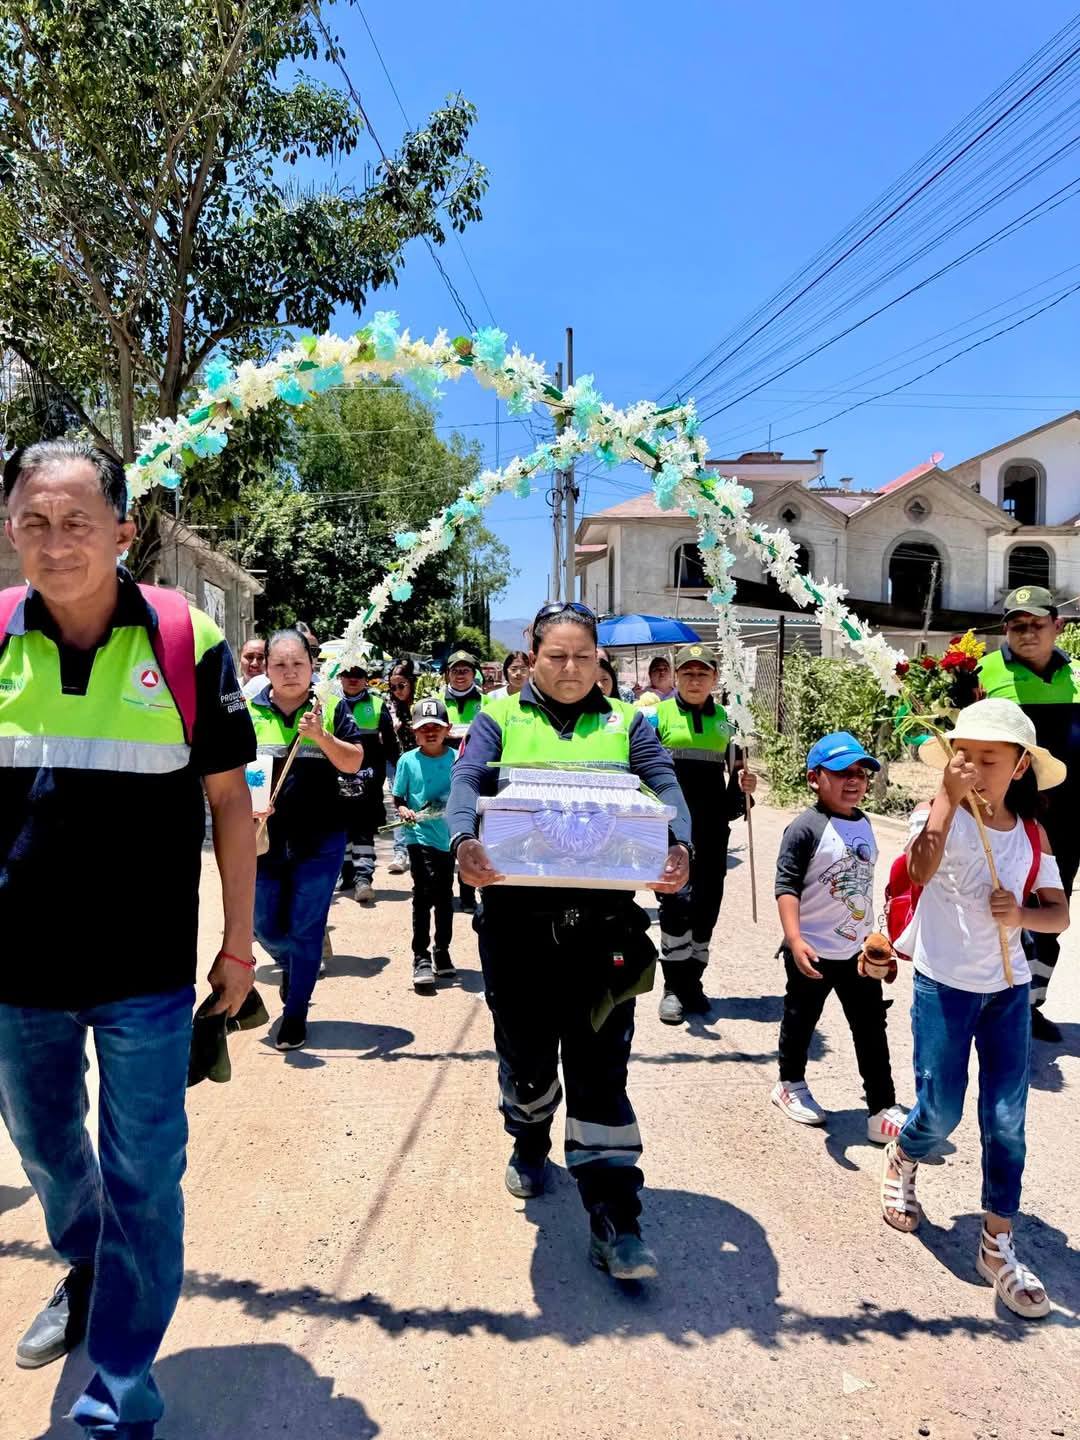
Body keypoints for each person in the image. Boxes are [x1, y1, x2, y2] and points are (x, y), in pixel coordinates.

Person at [0, 440, 257, 1439]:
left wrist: (237, 946)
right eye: (34, 521)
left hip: (145, 972)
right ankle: (89, 1261)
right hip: (18, 968)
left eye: (77, 522)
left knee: (145, 1171)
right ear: (11, 529)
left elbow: (230, 803)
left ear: (122, 531)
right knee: (43, 1146)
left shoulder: (186, 640)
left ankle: (119, 1388)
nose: (55, 542)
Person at [447, 600, 692, 1282]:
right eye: (556, 656)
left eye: (583, 657)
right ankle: (529, 1139)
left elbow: (665, 783)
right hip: (515, 928)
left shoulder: (628, 723)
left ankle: (616, 1216)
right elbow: (466, 781)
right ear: (532, 657)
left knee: (600, 1071)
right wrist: (463, 839)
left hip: (604, 931)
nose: (570, 668)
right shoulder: (497, 717)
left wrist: (680, 844)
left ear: (599, 660)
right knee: (527, 1060)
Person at [880, 700, 1068, 1320]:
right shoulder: (935, 812)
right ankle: (905, 1153)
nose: (974, 767)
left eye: (990, 758)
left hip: (1008, 992)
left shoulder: (1033, 834)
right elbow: (918, 870)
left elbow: (1059, 914)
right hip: (944, 986)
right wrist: (945, 798)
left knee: (1007, 1118)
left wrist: (1022, 915)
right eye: (964, 755)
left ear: (1020, 767)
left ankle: (996, 1243)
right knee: (940, 1110)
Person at [771, 731, 908, 1145]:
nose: (854, 781)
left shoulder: (864, 822)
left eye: (861, 773)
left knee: (871, 1026)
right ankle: (789, 1084)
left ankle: (881, 1108)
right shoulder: (804, 828)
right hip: (812, 950)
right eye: (842, 772)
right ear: (815, 778)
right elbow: (786, 886)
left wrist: (876, 937)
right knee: (801, 1019)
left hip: (857, 952)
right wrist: (794, 939)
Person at [248, 630, 364, 1052]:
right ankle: (294, 966)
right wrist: (248, 805)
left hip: (321, 840)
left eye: (298, 663)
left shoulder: (329, 706)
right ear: (266, 668)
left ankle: (295, 1012)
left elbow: (354, 762)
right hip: (263, 840)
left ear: (312, 666)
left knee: (306, 927)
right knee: (263, 925)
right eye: (280, 664)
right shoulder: (247, 709)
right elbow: (228, 771)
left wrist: (321, 736)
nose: (290, 672)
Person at [974, 586, 1080, 1042]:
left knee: (1050, 911)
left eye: (1037, 623)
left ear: (1058, 626)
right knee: (999, 906)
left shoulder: (1078, 676)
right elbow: (926, 723)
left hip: (1069, 820)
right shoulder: (981, 672)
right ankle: (987, 1000)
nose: (1027, 632)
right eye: (1017, 624)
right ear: (1005, 629)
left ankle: (1030, 1005)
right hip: (1007, 816)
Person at [654, 644, 757, 1024]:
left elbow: (739, 770)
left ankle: (692, 982)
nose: (695, 680)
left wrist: (745, 786)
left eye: (703, 673)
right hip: (672, 827)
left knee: (707, 903)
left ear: (715, 678)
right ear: (676, 676)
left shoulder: (729, 722)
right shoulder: (657, 716)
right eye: (688, 673)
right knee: (676, 902)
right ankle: (672, 986)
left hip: (713, 826)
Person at [393, 698, 457, 992]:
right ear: (414, 732)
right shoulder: (407, 761)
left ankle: (442, 949)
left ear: (448, 729)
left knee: (444, 895)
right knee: (424, 891)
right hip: (418, 835)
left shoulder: (457, 759)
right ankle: (421, 955)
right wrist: (404, 809)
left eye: (436, 727)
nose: (430, 732)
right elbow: (399, 797)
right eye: (423, 728)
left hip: (448, 838)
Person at [336, 662, 399, 905]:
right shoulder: (330, 704)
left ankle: (364, 878)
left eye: (358, 675)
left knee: (363, 828)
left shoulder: (377, 705)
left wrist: (399, 771)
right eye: (348, 674)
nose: (353, 679)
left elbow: (391, 744)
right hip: (337, 781)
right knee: (342, 829)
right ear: (340, 677)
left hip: (369, 782)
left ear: (366, 679)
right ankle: (346, 875)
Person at [442, 649, 484, 912]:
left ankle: (468, 893)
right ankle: (443, 894)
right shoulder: (435, 701)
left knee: (469, 832)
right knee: (440, 833)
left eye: (465, 670)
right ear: (447, 673)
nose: (460, 675)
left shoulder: (487, 703)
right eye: (455, 670)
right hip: (440, 773)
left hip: (473, 777)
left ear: (473, 673)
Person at [385, 663, 417, 875]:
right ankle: (400, 852)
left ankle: (418, 848)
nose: (397, 691)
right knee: (399, 805)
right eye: (393, 687)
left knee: (418, 803)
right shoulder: (389, 707)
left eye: (401, 685)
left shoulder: (422, 704)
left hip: (419, 762)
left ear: (411, 683)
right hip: (395, 762)